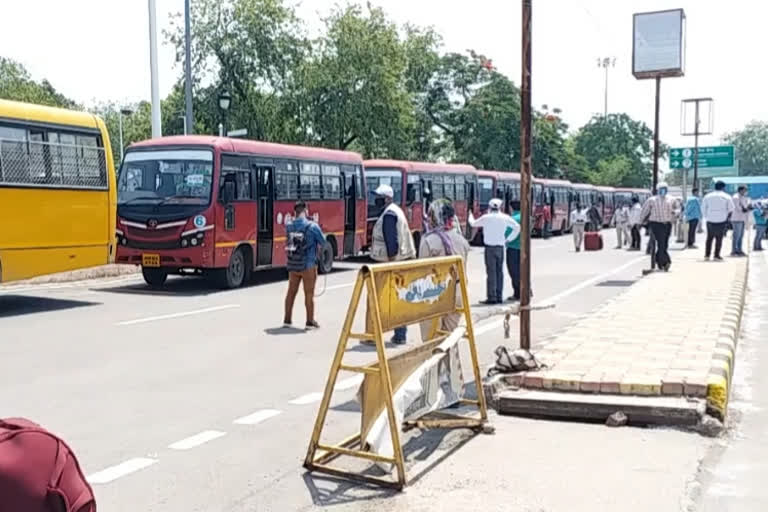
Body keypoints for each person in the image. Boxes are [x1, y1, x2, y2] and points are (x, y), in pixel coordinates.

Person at [418, 199, 470, 340]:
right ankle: (451, 362)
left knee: (432, 340)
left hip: (434, 295)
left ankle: (436, 362)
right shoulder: (461, 240)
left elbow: (422, 272)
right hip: (458, 293)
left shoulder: (428, 240)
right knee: (450, 339)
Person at [371, 184, 416, 344]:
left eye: (379, 197)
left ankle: (375, 334)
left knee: (380, 299)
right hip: (400, 260)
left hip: (392, 262)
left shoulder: (389, 215)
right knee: (398, 298)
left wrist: (389, 265)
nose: (376, 200)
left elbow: (392, 244)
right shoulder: (394, 210)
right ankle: (400, 334)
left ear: (387, 198)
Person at [283, 201, 326, 330]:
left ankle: (287, 320)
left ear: (295, 212)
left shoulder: (289, 226)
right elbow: (323, 242)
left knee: (291, 292)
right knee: (309, 294)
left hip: (293, 264)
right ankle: (309, 321)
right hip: (308, 265)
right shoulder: (313, 226)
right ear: (306, 211)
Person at [469, 198, 520, 305]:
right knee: (499, 272)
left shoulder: (486, 217)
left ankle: (492, 297)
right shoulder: (505, 217)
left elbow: (473, 223)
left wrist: (470, 215)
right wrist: (508, 239)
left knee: (491, 272)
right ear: (501, 207)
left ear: (489, 207)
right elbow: (517, 227)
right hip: (500, 248)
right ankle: (499, 296)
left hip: (489, 248)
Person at [640, 181, 677, 271]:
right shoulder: (652, 200)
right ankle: (666, 262)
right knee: (661, 243)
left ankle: (659, 261)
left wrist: (675, 214)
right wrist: (641, 222)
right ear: (657, 190)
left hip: (667, 224)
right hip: (656, 224)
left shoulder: (672, 199)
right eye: (661, 189)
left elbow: (677, 209)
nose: (663, 191)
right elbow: (644, 211)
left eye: (664, 189)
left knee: (665, 243)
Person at [702, 181, 735, 261]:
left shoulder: (707, 196)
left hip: (710, 220)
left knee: (709, 238)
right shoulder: (727, 196)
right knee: (719, 238)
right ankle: (716, 255)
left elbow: (703, 208)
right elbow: (731, 209)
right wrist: (727, 217)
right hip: (721, 220)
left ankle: (707, 255)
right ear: (723, 187)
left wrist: (707, 217)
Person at [505, 200, 523, 301]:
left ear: (511, 208)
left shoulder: (512, 219)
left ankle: (517, 293)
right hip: (523, 248)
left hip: (513, 248)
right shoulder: (526, 217)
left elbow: (506, 233)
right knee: (523, 270)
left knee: (514, 271)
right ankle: (527, 290)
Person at [731, 185, 751, 256]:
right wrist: (746, 209)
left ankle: (739, 250)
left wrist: (748, 207)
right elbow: (738, 208)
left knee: (741, 235)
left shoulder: (743, 197)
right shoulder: (736, 197)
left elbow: (745, 206)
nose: (746, 192)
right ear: (741, 190)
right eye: (745, 190)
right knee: (736, 235)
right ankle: (734, 250)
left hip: (742, 218)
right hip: (736, 218)